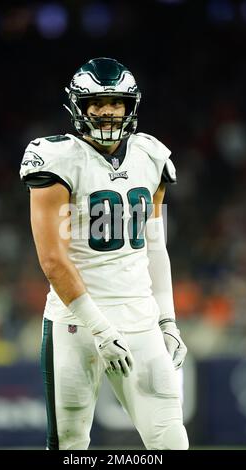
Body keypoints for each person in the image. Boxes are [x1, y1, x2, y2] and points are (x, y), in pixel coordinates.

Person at [19, 57, 189, 450]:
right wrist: (99, 327)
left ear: (130, 106)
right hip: (75, 324)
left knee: (170, 442)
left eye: (116, 102)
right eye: (97, 102)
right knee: (71, 445)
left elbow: (155, 246)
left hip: (139, 318)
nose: (107, 111)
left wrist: (167, 320)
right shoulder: (57, 157)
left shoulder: (150, 154)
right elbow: (52, 260)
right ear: (79, 106)